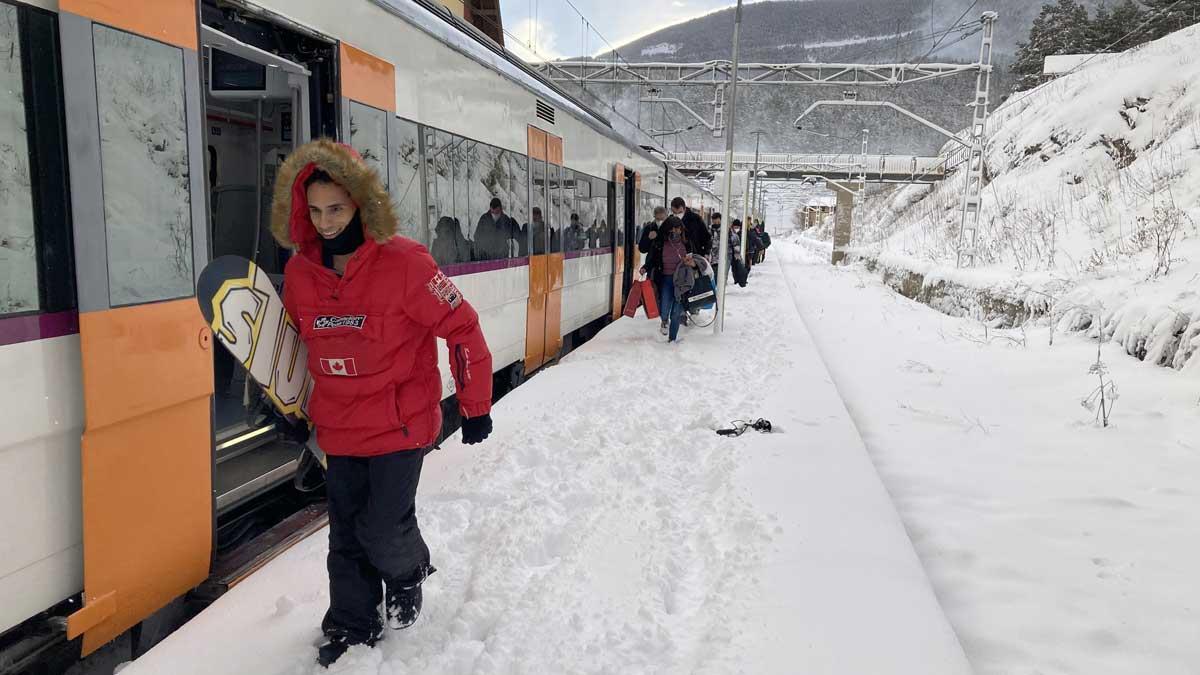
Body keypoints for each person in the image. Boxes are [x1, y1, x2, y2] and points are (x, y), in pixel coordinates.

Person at [270, 139, 495, 668]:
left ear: (362, 205)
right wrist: (282, 409)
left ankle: (408, 571)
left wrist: (475, 404)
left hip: (400, 427)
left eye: (337, 209)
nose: (326, 222)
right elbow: (289, 348)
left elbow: (462, 327)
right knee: (346, 536)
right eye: (316, 211)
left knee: (383, 527)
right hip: (340, 428)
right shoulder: (301, 276)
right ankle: (352, 626)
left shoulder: (406, 263)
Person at [641, 216, 694, 343]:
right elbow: (653, 259)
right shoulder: (659, 243)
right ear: (667, 230)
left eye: (678, 229)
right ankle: (664, 320)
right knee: (664, 306)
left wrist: (692, 263)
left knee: (676, 311)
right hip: (665, 278)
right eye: (673, 229)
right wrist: (645, 268)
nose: (676, 232)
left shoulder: (687, 243)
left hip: (682, 280)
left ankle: (672, 338)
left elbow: (696, 259)